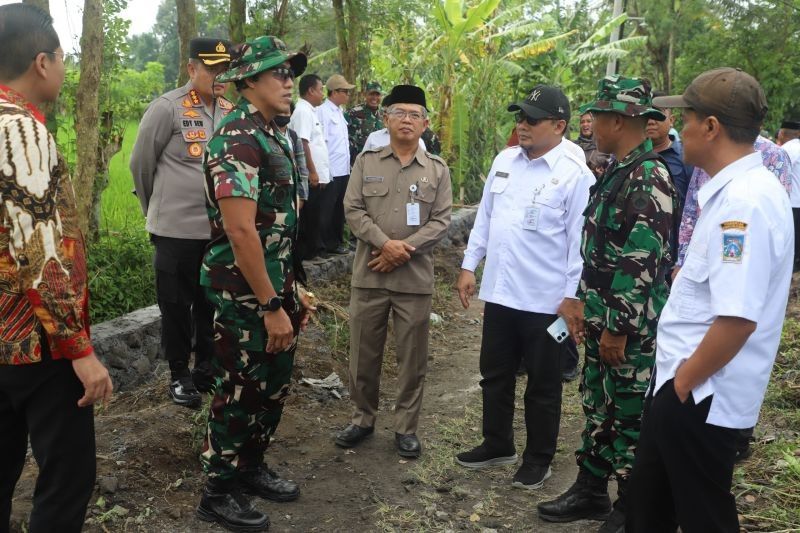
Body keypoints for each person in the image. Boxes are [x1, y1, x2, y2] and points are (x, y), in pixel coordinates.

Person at [627, 67, 794, 533]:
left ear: (711, 127)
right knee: (649, 504)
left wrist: (683, 385)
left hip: (700, 393)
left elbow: (737, 320)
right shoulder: (732, 193)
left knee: (703, 515)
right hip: (684, 383)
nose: (679, 127)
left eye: (687, 116)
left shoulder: (744, 204)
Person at [537, 76, 676, 533]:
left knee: (629, 415)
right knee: (599, 405)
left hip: (626, 327)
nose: (590, 123)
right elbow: (597, 251)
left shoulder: (649, 175)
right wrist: (580, 301)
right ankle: (591, 489)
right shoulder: (617, 169)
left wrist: (618, 326)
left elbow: (642, 263)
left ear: (619, 120)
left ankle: (630, 506)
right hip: (599, 314)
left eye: (597, 115)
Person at [0, 5, 113, 532]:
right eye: (64, 60)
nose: (65, 71)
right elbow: (40, 257)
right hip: (35, 344)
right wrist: (80, 350)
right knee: (66, 480)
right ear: (41, 62)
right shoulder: (22, 132)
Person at [195, 36, 315, 531]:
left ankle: (251, 467)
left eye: (291, 72)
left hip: (274, 283)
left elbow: (280, 222)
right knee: (241, 389)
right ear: (247, 82)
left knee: (273, 385)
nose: (289, 81)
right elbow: (241, 230)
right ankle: (218, 490)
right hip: (244, 292)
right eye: (278, 73)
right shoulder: (236, 138)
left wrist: (291, 288)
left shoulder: (275, 133)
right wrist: (269, 304)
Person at [453, 86, 593, 489]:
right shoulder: (505, 160)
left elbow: (579, 243)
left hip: (547, 302)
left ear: (559, 125)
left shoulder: (574, 174)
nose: (522, 125)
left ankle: (539, 458)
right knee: (494, 374)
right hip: (500, 292)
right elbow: (486, 218)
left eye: (532, 119)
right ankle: (497, 443)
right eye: (520, 117)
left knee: (543, 384)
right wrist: (468, 265)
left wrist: (572, 297)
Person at [335, 85, 452, 458]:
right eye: (399, 112)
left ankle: (405, 428)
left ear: (425, 123)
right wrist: (384, 244)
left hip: (413, 282)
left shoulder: (437, 170)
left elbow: (441, 221)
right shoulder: (366, 162)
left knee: (412, 359)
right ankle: (362, 418)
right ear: (385, 119)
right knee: (362, 355)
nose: (406, 119)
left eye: (414, 114)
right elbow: (353, 211)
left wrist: (402, 252)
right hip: (369, 276)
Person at [130, 38, 233, 407]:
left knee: (210, 304)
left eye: (225, 68)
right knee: (175, 306)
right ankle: (178, 375)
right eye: (213, 68)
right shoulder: (167, 108)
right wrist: (155, 211)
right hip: (175, 230)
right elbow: (140, 165)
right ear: (192, 69)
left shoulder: (231, 111)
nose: (221, 76)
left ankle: (206, 367)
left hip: (218, 232)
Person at [290, 73, 331, 261]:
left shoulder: (310, 111)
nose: (323, 93)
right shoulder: (302, 111)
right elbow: (303, 143)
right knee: (309, 215)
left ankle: (314, 249)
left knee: (316, 213)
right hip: (309, 174)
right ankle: (307, 251)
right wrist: (312, 171)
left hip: (318, 174)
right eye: (321, 89)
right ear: (310, 90)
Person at [317, 73, 355, 255]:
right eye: (345, 91)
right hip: (331, 169)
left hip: (343, 168)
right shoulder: (322, 112)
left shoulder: (339, 112)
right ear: (334, 92)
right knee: (327, 208)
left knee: (340, 207)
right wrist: (325, 170)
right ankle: (323, 244)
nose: (348, 95)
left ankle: (336, 242)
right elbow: (321, 142)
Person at [777, 119, 800, 268]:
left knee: (789, 240)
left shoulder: (788, 149)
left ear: (782, 133)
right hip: (797, 201)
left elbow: (779, 170)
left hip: (791, 201)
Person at [345, 81, 384, 163]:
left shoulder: (384, 115)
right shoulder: (354, 112)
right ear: (365, 95)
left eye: (377, 95)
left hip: (378, 161)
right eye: (371, 94)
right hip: (358, 160)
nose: (374, 98)